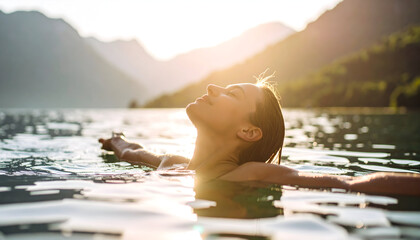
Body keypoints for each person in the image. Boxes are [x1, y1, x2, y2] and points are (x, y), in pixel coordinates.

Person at [99, 73, 420, 196]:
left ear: (248, 131)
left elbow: (349, 184)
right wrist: (116, 140)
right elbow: (131, 152)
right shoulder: (172, 164)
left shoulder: (249, 173)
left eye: (231, 94)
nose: (212, 87)